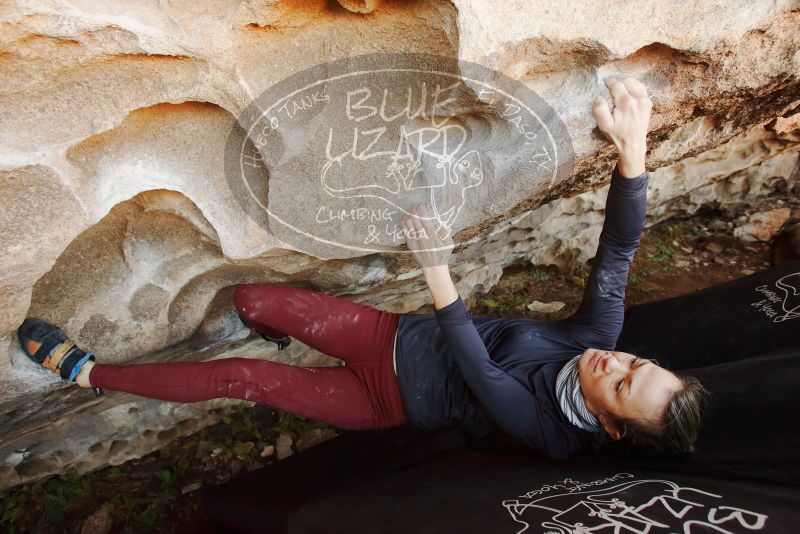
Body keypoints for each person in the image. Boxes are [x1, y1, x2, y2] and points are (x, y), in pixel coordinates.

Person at [18, 76, 706, 460]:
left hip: (389, 400)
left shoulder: (553, 436)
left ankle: (86, 373)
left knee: (246, 378)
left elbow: (484, 373)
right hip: (396, 339)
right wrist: (633, 153)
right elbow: (616, 256)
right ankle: (272, 325)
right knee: (256, 298)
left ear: (610, 426)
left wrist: (436, 268)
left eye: (619, 389)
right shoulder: (597, 342)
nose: (612, 366)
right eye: (635, 365)